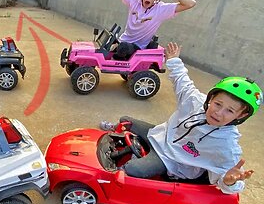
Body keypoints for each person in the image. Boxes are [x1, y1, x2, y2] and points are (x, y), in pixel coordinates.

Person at [101, 42, 262, 194]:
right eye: (218, 104)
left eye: (229, 111)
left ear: (241, 116)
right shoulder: (195, 101)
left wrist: (229, 182)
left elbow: (230, 180)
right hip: (161, 135)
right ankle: (113, 129)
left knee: (133, 170)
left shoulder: (226, 145)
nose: (219, 112)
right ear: (211, 98)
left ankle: (107, 180)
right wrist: (174, 60)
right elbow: (182, 81)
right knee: (125, 120)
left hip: (171, 161)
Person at [109, 0, 196, 60]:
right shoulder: (134, 1)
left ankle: (118, 55)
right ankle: (116, 49)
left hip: (138, 48)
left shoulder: (161, 9)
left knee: (123, 48)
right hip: (123, 40)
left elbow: (190, 3)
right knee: (108, 41)